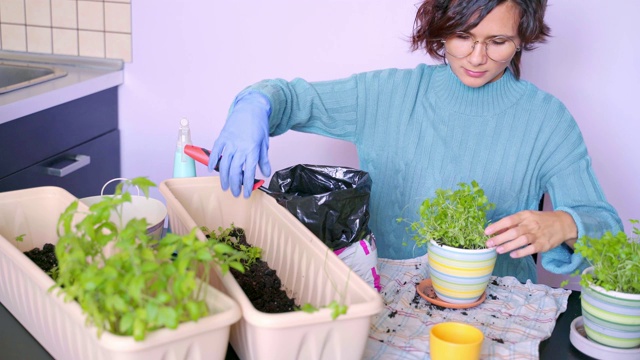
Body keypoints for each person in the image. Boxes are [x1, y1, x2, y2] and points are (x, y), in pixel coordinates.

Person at [209, 0, 622, 284]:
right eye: (463, 36)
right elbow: (289, 96)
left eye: (498, 42)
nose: (477, 57)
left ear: (523, 36)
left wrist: (567, 223)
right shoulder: (388, 94)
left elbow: (608, 229)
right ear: (439, 29)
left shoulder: (546, 120)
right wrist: (255, 104)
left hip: (493, 314)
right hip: (386, 300)